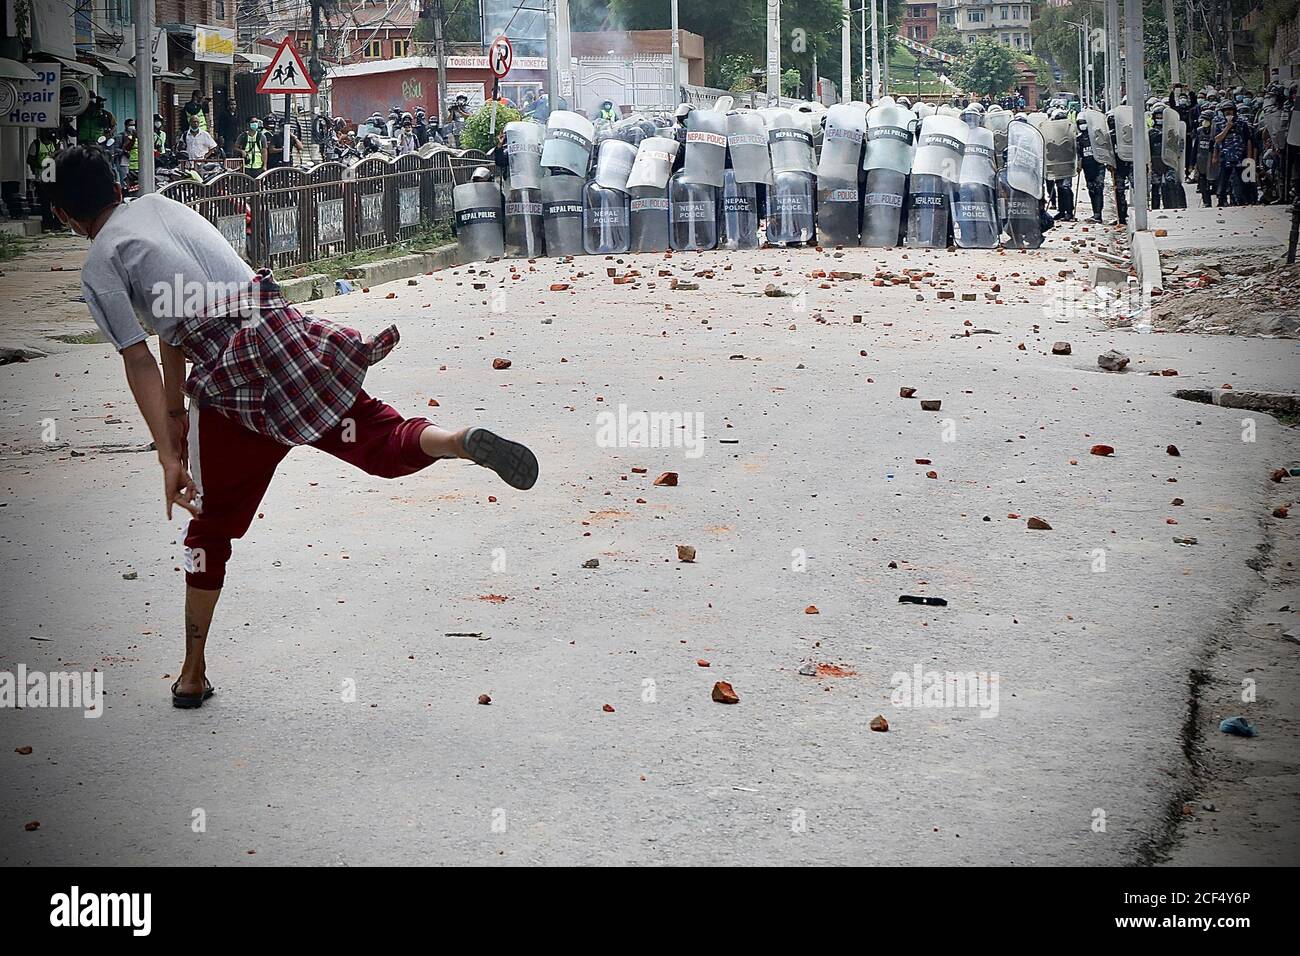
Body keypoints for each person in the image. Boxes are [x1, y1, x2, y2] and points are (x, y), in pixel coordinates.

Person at [45, 146, 539, 710]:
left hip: (233, 387)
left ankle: (191, 672)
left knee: (210, 529)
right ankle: (453, 440)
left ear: (63, 214)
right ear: (116, 186)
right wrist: (178, 418)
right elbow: (177, 321)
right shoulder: (163, 206)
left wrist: (168, 452)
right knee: (378, 434)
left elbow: (141, 357)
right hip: (282, 336)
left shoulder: (101, 262)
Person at [1212, 100, 1251, 206]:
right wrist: (1227, 127)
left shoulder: (1242, 123)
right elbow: (1217, 139)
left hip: (1240, 156)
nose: (1228, 113)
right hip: (1225, 157)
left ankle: (1243, 200)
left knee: (1243, 179)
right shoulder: (1219, 123)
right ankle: (1222, 200)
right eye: (1226, 111)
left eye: (1230, 110)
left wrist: (1249, 157)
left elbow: (1248, 140)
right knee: (1223, 180)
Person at [25, 128, 61, 229]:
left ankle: (57, 223)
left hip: (54, 178)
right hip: (41, 179)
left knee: (57, 202)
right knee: (45, 203)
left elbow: (61, 157)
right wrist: (42, 165)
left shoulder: (56, 144)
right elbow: (30, 159)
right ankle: (48, 224)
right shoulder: (36, 144)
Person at [1076, 115, 1105, 223]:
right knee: (1091, 190)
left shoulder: (1096, 137)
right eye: (1080, 123)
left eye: (1084, 122)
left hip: (1098, 167)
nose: (1083, 125)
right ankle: (1095, 213)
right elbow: (1078, 154)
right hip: (1087, 168)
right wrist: (1078, 166)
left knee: (1098, 189)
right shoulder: (1078, 140)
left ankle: (1098, 214)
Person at [1190, 112, 1216, 207]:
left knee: (1214, 182)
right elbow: (1195, 148)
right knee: (1203, 182)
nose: (1204, 122)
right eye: (1203, 120)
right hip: (1201, 161)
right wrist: (1192, 164)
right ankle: (1206, 202)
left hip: (1212, 160)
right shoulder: (1199, 131)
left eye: (1206, 120)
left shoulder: (1215, 131)